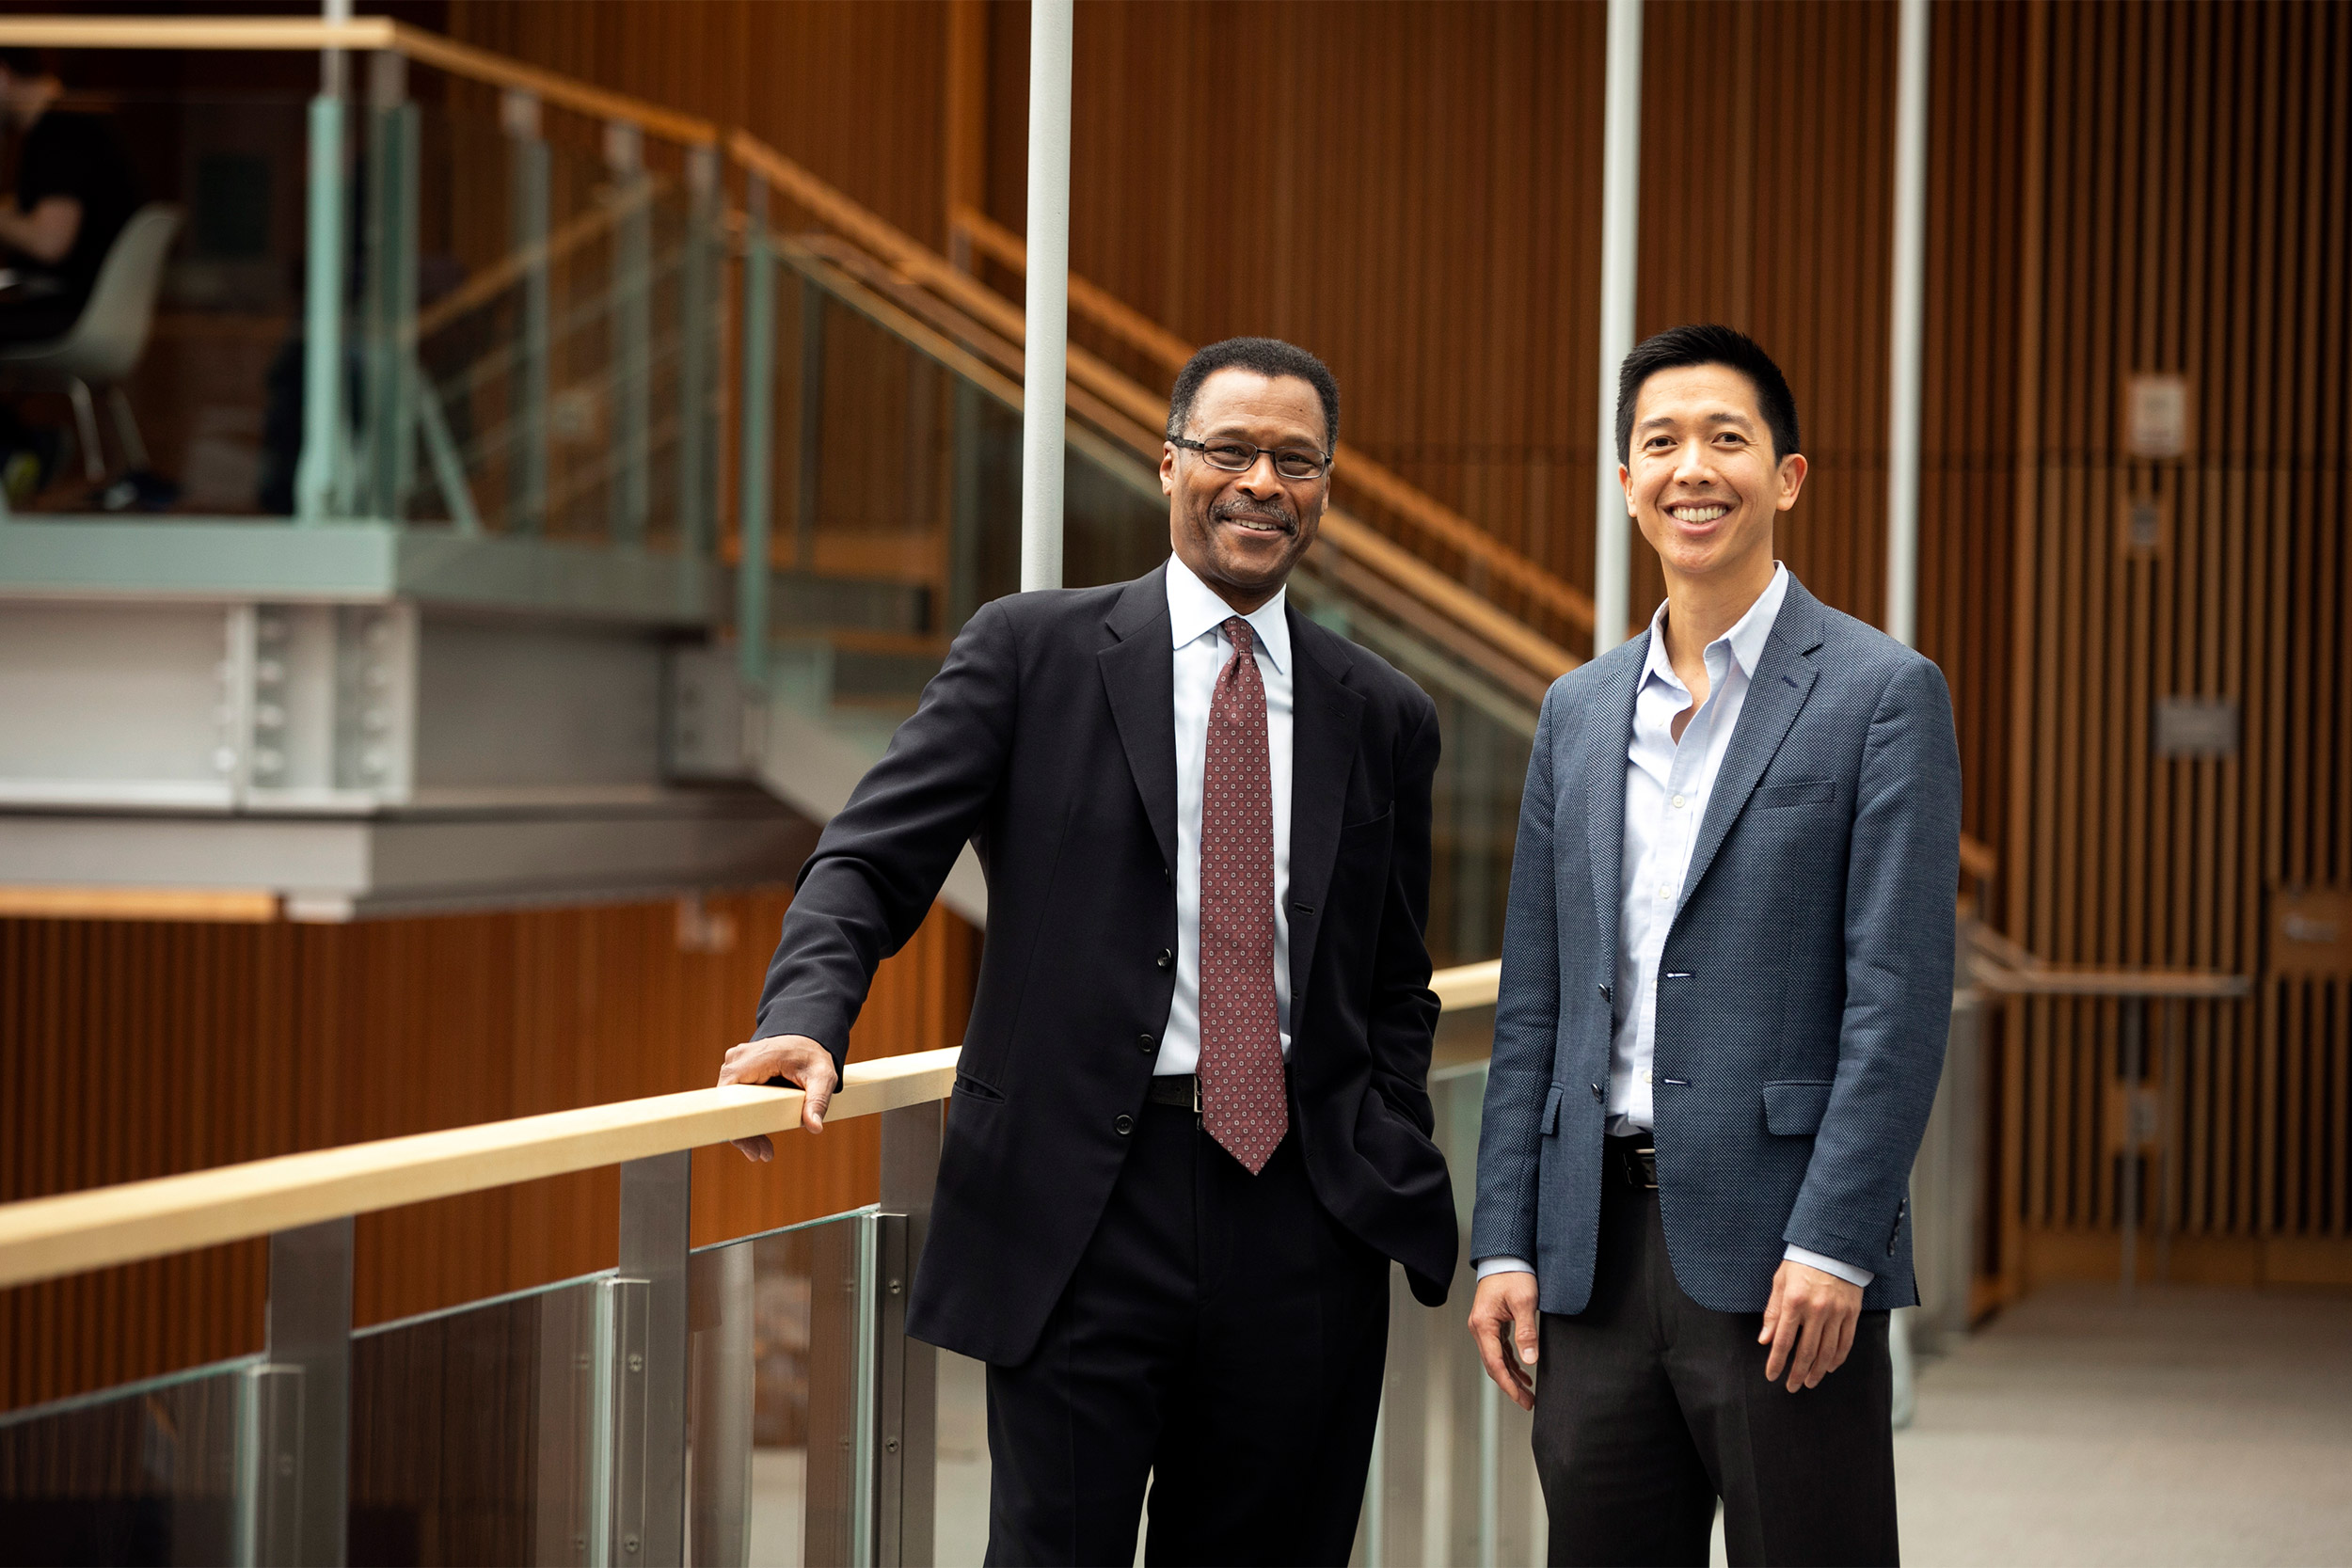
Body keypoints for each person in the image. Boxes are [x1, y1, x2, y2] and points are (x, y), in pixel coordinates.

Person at [723, 336, 1456, 1565]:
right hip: (1076, 1209)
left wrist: (1379, 1127)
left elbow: (1392, 975)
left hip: (1304, 1218)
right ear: (1167, 463)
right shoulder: (1031, 653)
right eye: (1229, 449)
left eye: (1295, 459)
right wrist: (810, 1010)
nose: (1261, 482)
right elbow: (873, 854)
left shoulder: (1384, 712)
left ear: (1328, 486)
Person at [1465, 324, 1961, 1566]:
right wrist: (1507, 1239)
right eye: (1662, 442)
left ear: (1787, 475)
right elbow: (1534, 1004)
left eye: (1727, 438)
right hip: (1591, 1259)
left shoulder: (1879, 692)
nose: (1694, 466)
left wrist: (1837, 1238)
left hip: (1785, 1252)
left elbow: (1896, 1000)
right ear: (1625, 479)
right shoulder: (1576, 713)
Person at [0, 49, 137, 345]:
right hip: (90, 304)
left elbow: (49, 243)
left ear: (3, 76)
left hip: (73, 309)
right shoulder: (77, 119)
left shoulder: (62, 130)